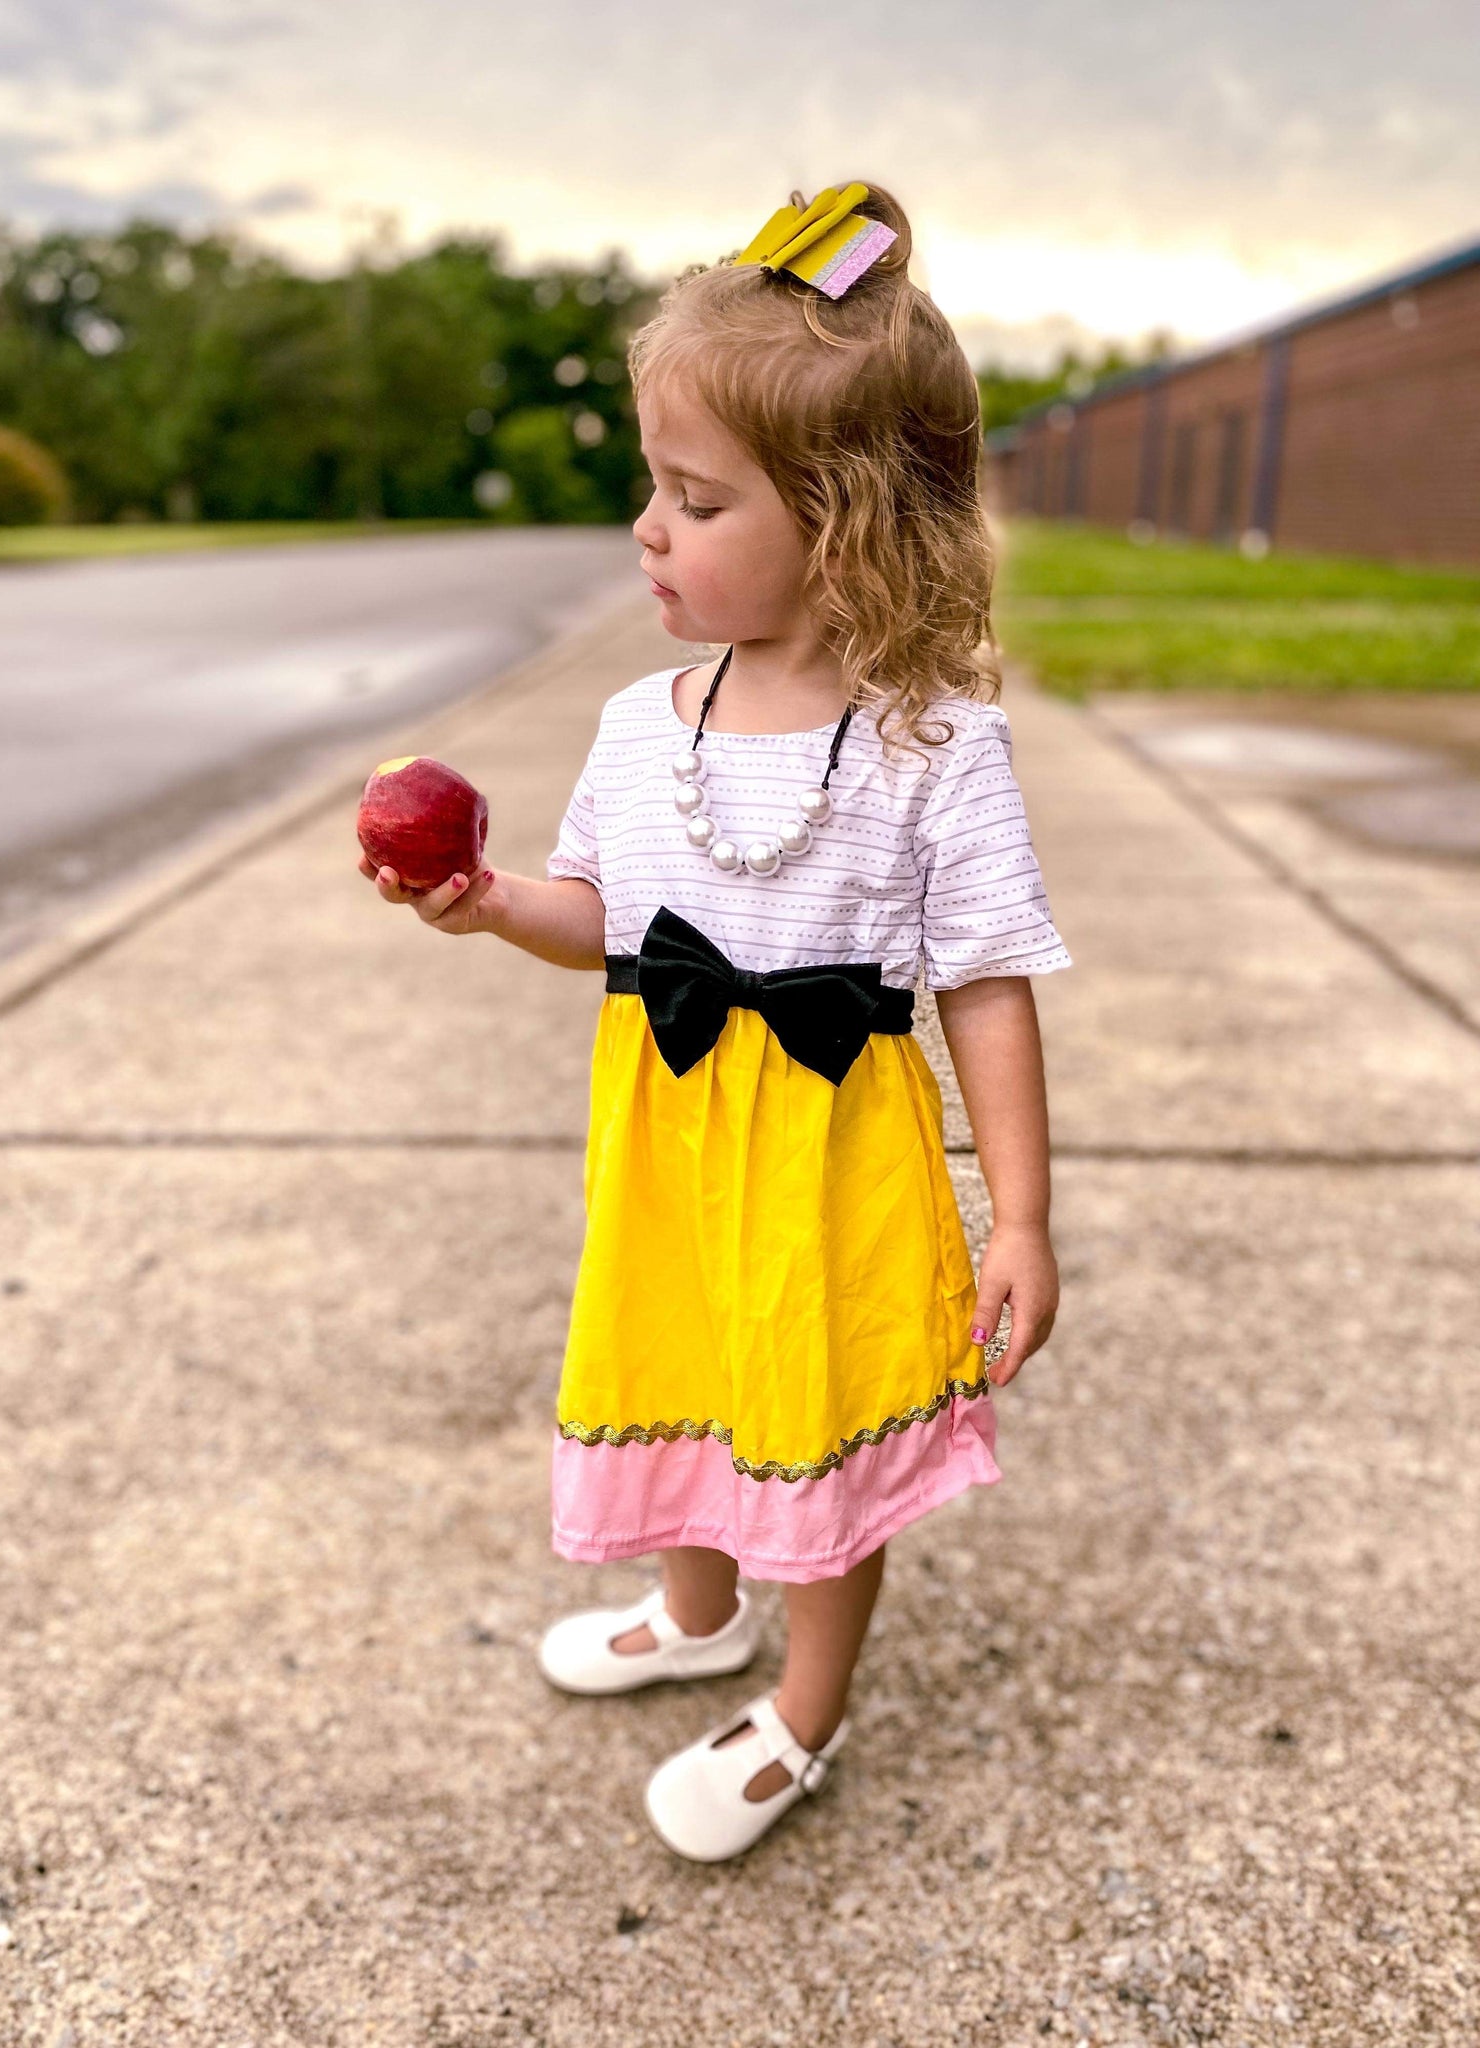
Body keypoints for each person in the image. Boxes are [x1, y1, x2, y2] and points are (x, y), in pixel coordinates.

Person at [360, 182, 1070, 1863]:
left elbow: (984, 977)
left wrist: (1022, 1212)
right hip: (672, 1139)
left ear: (845, 526)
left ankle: (804, 1707)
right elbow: (609, 923)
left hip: (833, 1164)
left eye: (693, 499)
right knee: (682, 1368)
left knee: (811, 1419)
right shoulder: (635, 723)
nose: (646, 534)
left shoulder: (935, 750)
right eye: (650, 492)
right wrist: (488, 904)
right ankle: (699, 1613)